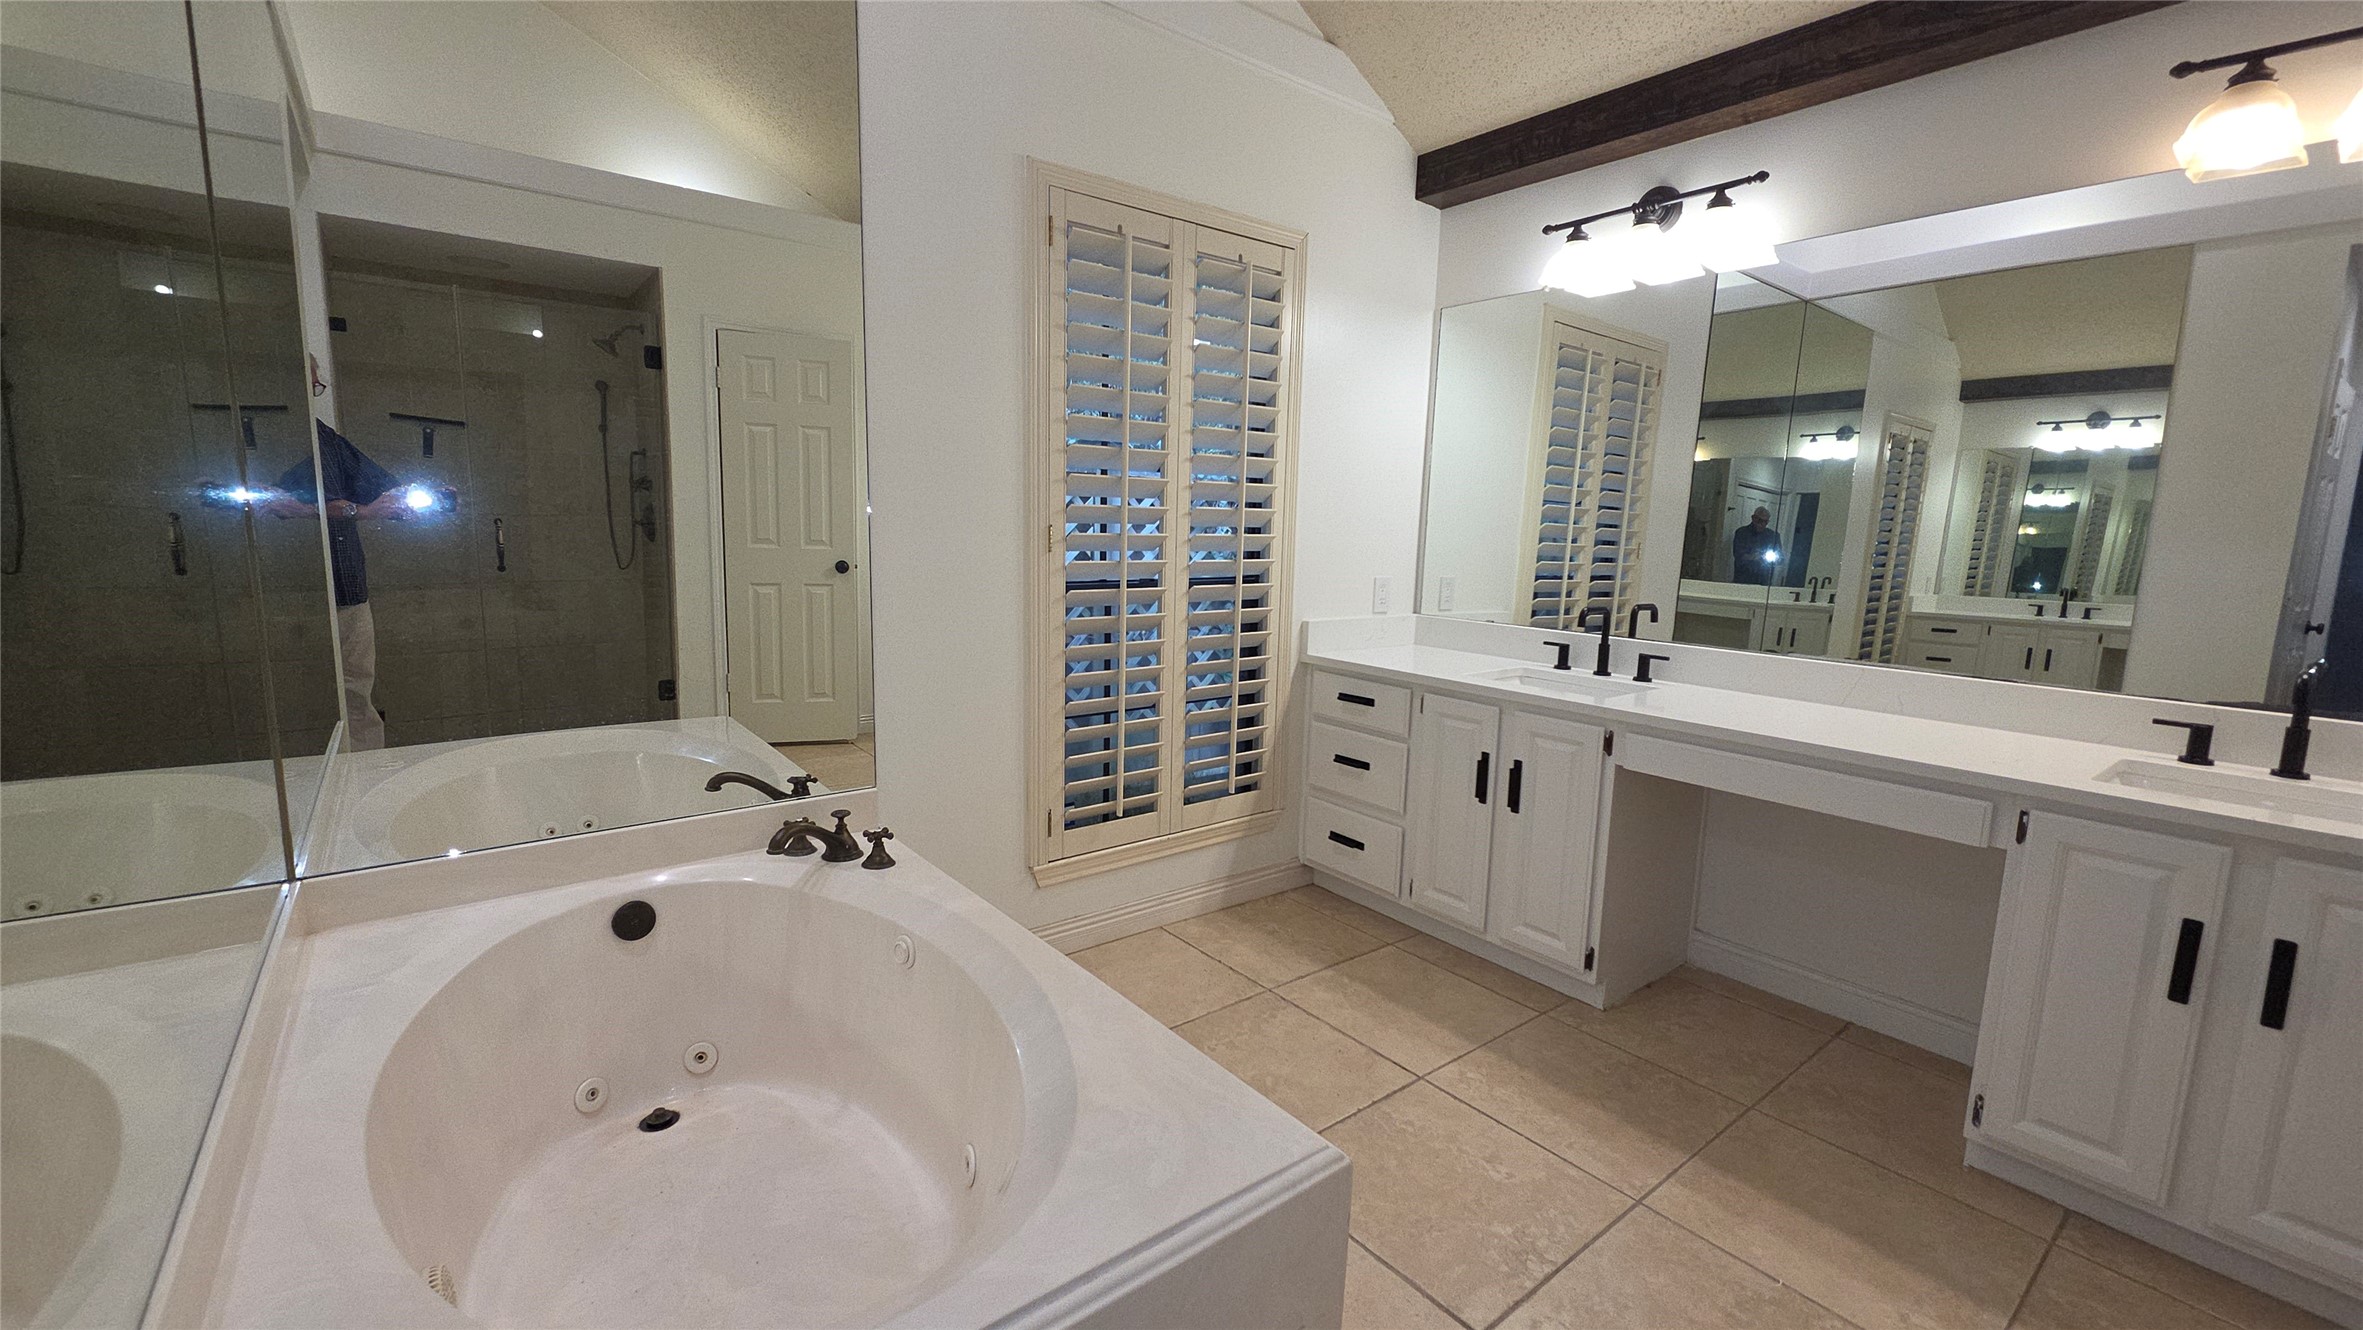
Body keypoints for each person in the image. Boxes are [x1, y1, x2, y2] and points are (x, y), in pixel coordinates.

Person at [267, 420, 407, 750]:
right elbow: (272, 504)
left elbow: (384, 498)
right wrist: (356, 511)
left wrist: (420, 500)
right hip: (299, 589)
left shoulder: (327, 441)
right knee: (313, 699)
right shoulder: (284, 433)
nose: (315, 381)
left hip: (348, 587)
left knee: (356, 697)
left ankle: (367, 786)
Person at [1731, 505, 1781, 585]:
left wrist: (1770, 558)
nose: (1762, 524)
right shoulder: (1742, 533)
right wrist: (1755, 556)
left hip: (1764, 579)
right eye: (1760, 520)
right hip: (1743, 578)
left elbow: (1780, 558)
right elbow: (1738, 554)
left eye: (1766, 522)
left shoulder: (1773, 536)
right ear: (1753, 518)